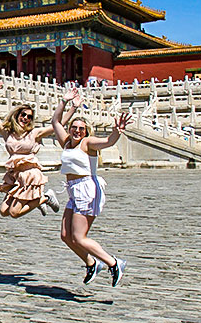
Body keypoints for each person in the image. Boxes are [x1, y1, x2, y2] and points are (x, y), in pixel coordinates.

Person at [52, 87, 131, 287]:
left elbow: (108, 141)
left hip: (86, 189)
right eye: (74, 127)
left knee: (79, 237)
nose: (77, 131)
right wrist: (64, 100)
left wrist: (116, 132)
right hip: (73, 190)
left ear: (86, 131)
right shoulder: (67, 142)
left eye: (81, 128)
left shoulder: (87, 143)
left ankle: (114, 263)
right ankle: (91, 263)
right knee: (65, 236)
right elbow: (55, 121)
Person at [0, 81, 78, 218]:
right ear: (17, 115)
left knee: (14, 213)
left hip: (30, 175)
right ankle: (37, 202)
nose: (25, 118)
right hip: (15, 175)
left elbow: (58, 124)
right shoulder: (8, 132)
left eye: (29, 117)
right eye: (23, 115)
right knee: (3, 211)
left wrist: (71, 106)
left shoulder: (34, 133)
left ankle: (45, 198)